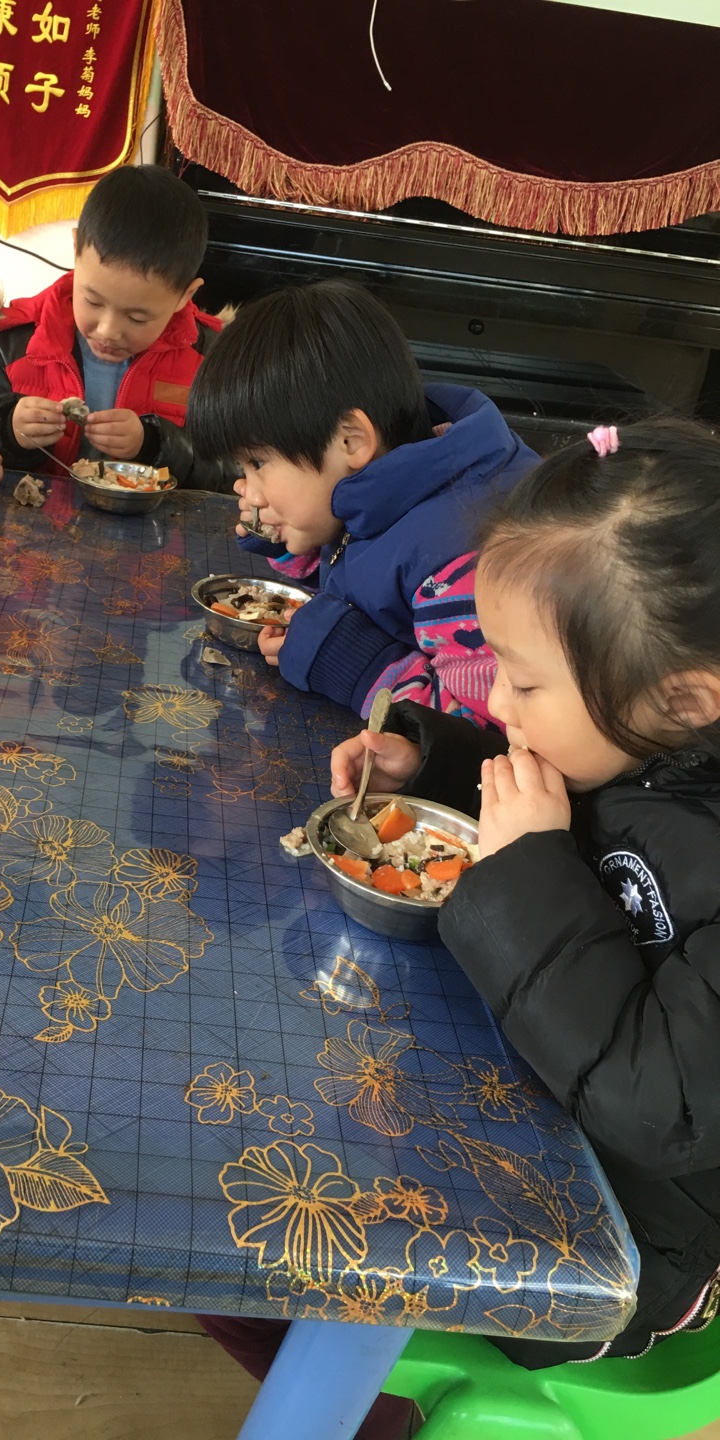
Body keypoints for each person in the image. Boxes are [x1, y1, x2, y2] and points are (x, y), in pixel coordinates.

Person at [329, 419, 720, 1368]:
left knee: (321, 1249)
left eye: (527, 683)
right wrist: (437, 762)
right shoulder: (640, 744)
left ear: (683, 701)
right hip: (532, 1097)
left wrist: (527, 874)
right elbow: (582, 816)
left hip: (627, 1240)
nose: (498, 702)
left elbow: (660, 1104)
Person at [186, 280, 538, 719]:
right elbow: (367, 566)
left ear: (351, 440)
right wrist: (296, 545)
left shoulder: (458, 572)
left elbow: (496, 723)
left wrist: (355, 665)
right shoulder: (393, 481)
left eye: (258, 462)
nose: (247, 490)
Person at [0, 165, 230, 490]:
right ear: (75, 250)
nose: (108, 330)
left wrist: (154, 445)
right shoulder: (15, 343)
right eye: (93, 301)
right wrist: (6, 428)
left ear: (185, 295)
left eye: (137, 318)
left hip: (159, 523)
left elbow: (238, 472)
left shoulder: (211, 362)